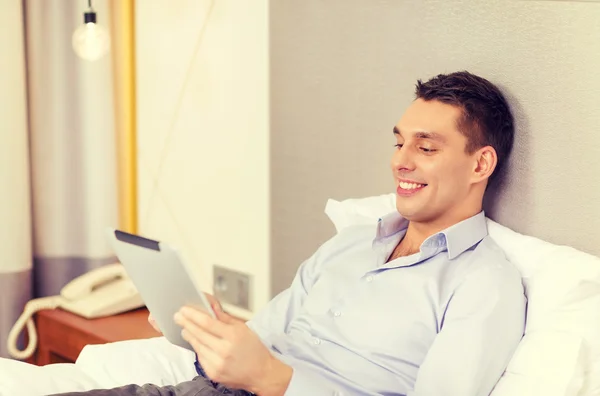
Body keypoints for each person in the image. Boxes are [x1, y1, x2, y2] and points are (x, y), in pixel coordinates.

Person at [56, 71, 526, 396]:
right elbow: (259, 347)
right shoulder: (351, 244)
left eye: (426, 147)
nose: (400, 160)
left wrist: (276, 381)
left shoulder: (484, 284)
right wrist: (213, 336)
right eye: (400, 141)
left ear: (480, 163)